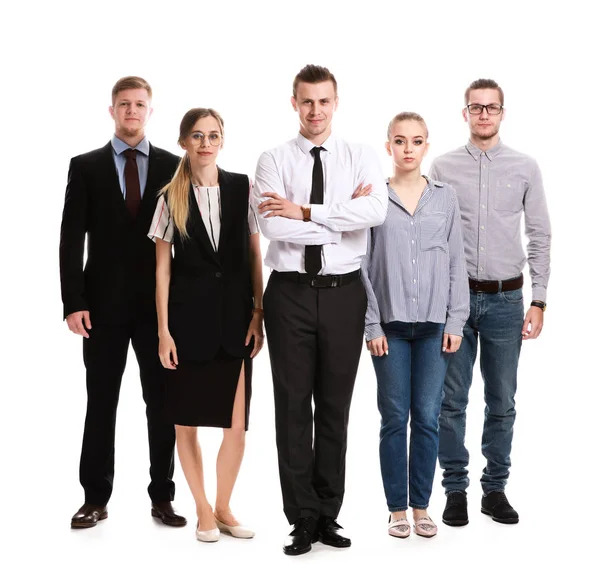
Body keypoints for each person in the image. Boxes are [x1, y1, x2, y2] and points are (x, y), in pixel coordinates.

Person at [253, 64, 388, 555]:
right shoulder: (272, 159)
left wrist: (307, 211)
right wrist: (341, 221)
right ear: (294, 103)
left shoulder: (361, 156)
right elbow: (274, 229)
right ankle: (302, 516)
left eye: (324, 101)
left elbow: (376, 213)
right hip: (288, 293)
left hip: (343, 294)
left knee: (334, 406)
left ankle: (328, 513)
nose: (315, 111)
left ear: (336, 103)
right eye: (307, 101)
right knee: (292, 408)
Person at [59, 76, 186, 528]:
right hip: (102, 308)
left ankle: (163, 497)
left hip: (158, 311)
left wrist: (181, 310)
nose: (132, 111)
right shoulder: (86, 166)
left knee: (163, 403)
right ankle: (95, 498)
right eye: (124, 104)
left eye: (139, 105)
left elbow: (183, 242)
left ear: (150, 112)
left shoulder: (175, 166)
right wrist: (73, 301)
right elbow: (71, 237)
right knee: (101, 402)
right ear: (112, 110)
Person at [429, 79, 551, 525]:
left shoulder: (525, 167)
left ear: (502, 113)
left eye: (491, 108)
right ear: (464, 113)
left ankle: (494, 489)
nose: (483, 115)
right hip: (456, 302)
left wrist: (539, 299)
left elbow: (539, 234)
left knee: (502, 401)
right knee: (451, 401)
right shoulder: (441, 167)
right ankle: (455, 489)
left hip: (506, 301)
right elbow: (432, 237)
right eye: (475, 108)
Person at [149, 108, 264, 543]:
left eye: (213, 135)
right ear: (183, 142)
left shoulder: (241, 188)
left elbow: (255, 254)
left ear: (222, 140)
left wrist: (259, 311)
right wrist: (163, 331)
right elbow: (161, 270)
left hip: (235, 323)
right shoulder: (169, 196)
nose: (205, 143)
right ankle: (201, 509)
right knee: (187, 424)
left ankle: (224, 506)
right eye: (197, 136)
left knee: (236, 427)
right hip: (187, 325)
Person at [362, 112, 469, 538]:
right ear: (388, 146)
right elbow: (362, 267)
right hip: (389, 326)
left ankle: (422, 506)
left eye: (417, 141)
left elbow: (457, 262)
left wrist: (455, 319)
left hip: (432, 326)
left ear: (427, 147)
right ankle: (396, 509)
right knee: (393, 417)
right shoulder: (373, 198)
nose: (408, 149)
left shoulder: (445, 198)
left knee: (427, 416)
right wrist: (371, 325)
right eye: (400, 141)